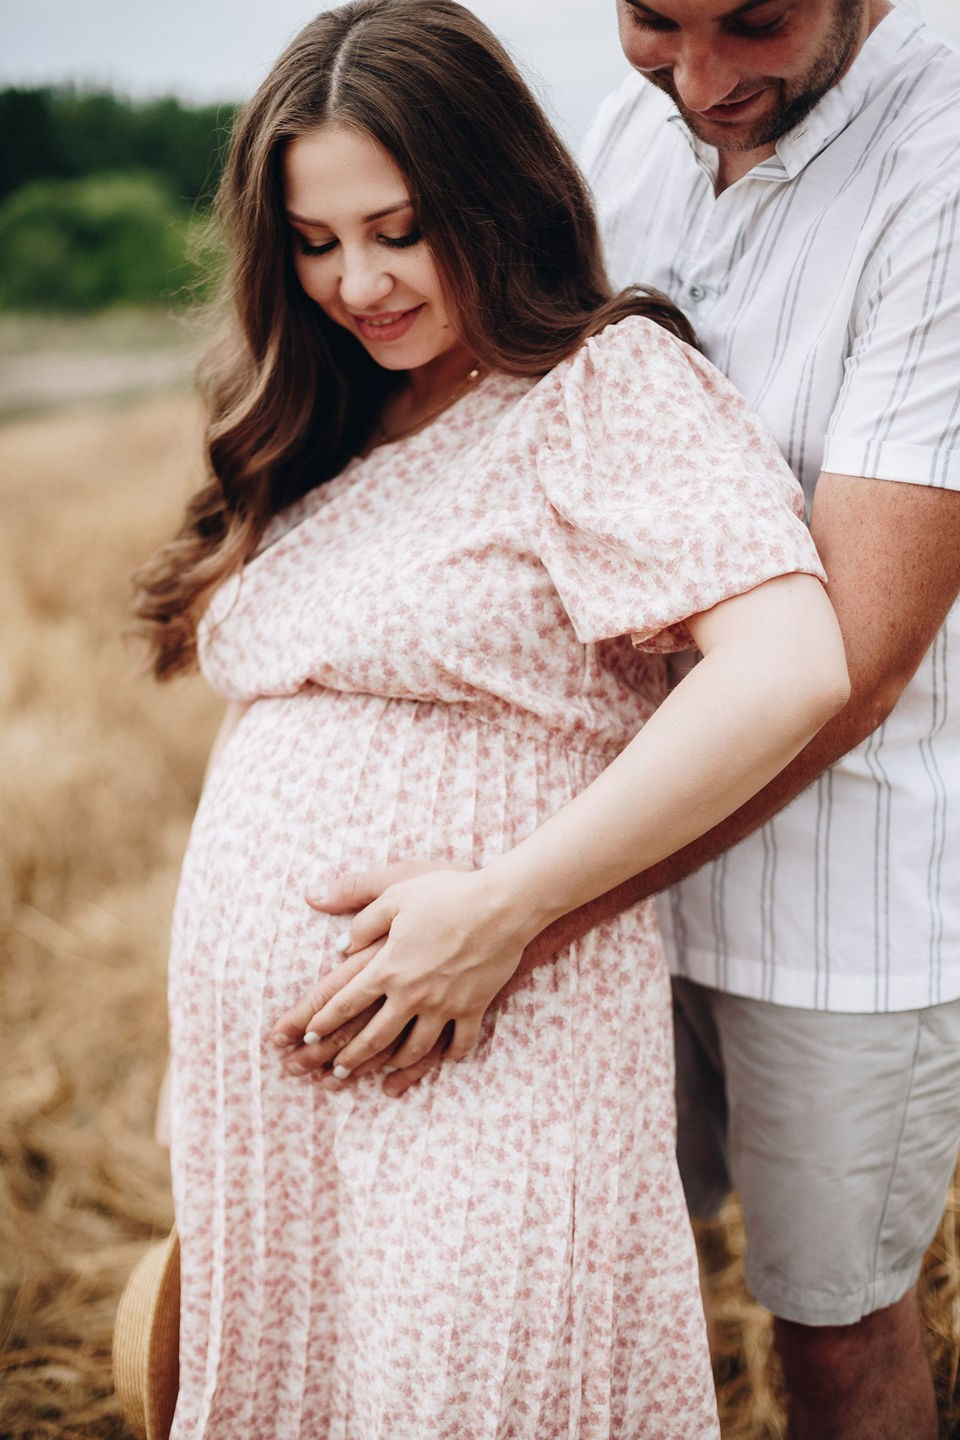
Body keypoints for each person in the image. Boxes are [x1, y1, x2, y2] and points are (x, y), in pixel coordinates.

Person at [136, 1, 850, 1436]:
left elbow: (791, 669)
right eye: (316, 241)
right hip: (279, 1104)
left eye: (399, 228)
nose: (358, 282)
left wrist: (506, 908)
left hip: (485, 1046)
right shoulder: (338, 415)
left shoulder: (600, 387)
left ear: (491, 190)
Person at [295, 3, 960, 1438]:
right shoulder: (625, 128)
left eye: (759, 23)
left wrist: (521, 909)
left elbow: (854, 662)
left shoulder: (946, 152)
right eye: (655, 20)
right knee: (558, 1287)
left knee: (835, 1333)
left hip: (824, 898)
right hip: (590, 884)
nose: (703, 79)